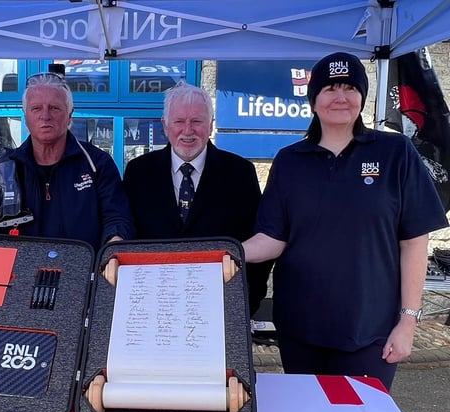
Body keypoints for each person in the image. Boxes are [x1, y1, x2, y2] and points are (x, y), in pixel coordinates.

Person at [242, 52, 448, 390]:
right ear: (313, 100)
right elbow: (273, 238)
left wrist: (408, 321)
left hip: (369, 333)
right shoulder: (290, 161)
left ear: (362, 96)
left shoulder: (395, 152)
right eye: (330, 88)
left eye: (350, 87)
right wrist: (227, 252)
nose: (340, 97)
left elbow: (414, 241)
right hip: (301, 330)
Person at [123, 81, 272, 315]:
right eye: (179, 121)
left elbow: (258, 239)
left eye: (197, 121)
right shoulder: (138, 172)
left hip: (220, 308)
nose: (188, 130)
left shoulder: (240, 173)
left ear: (211, 125)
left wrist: (247, 302)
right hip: (151, 307)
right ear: (165, 125)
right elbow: (128, 238)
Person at [0, 72, 134, 251]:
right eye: (36, 108)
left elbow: (117, 218)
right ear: (25, 116)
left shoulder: (97, 164)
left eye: (54, 108)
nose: (45, 116)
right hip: (19, 268)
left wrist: (115, 240)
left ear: (70, 114)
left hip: (84, 267)